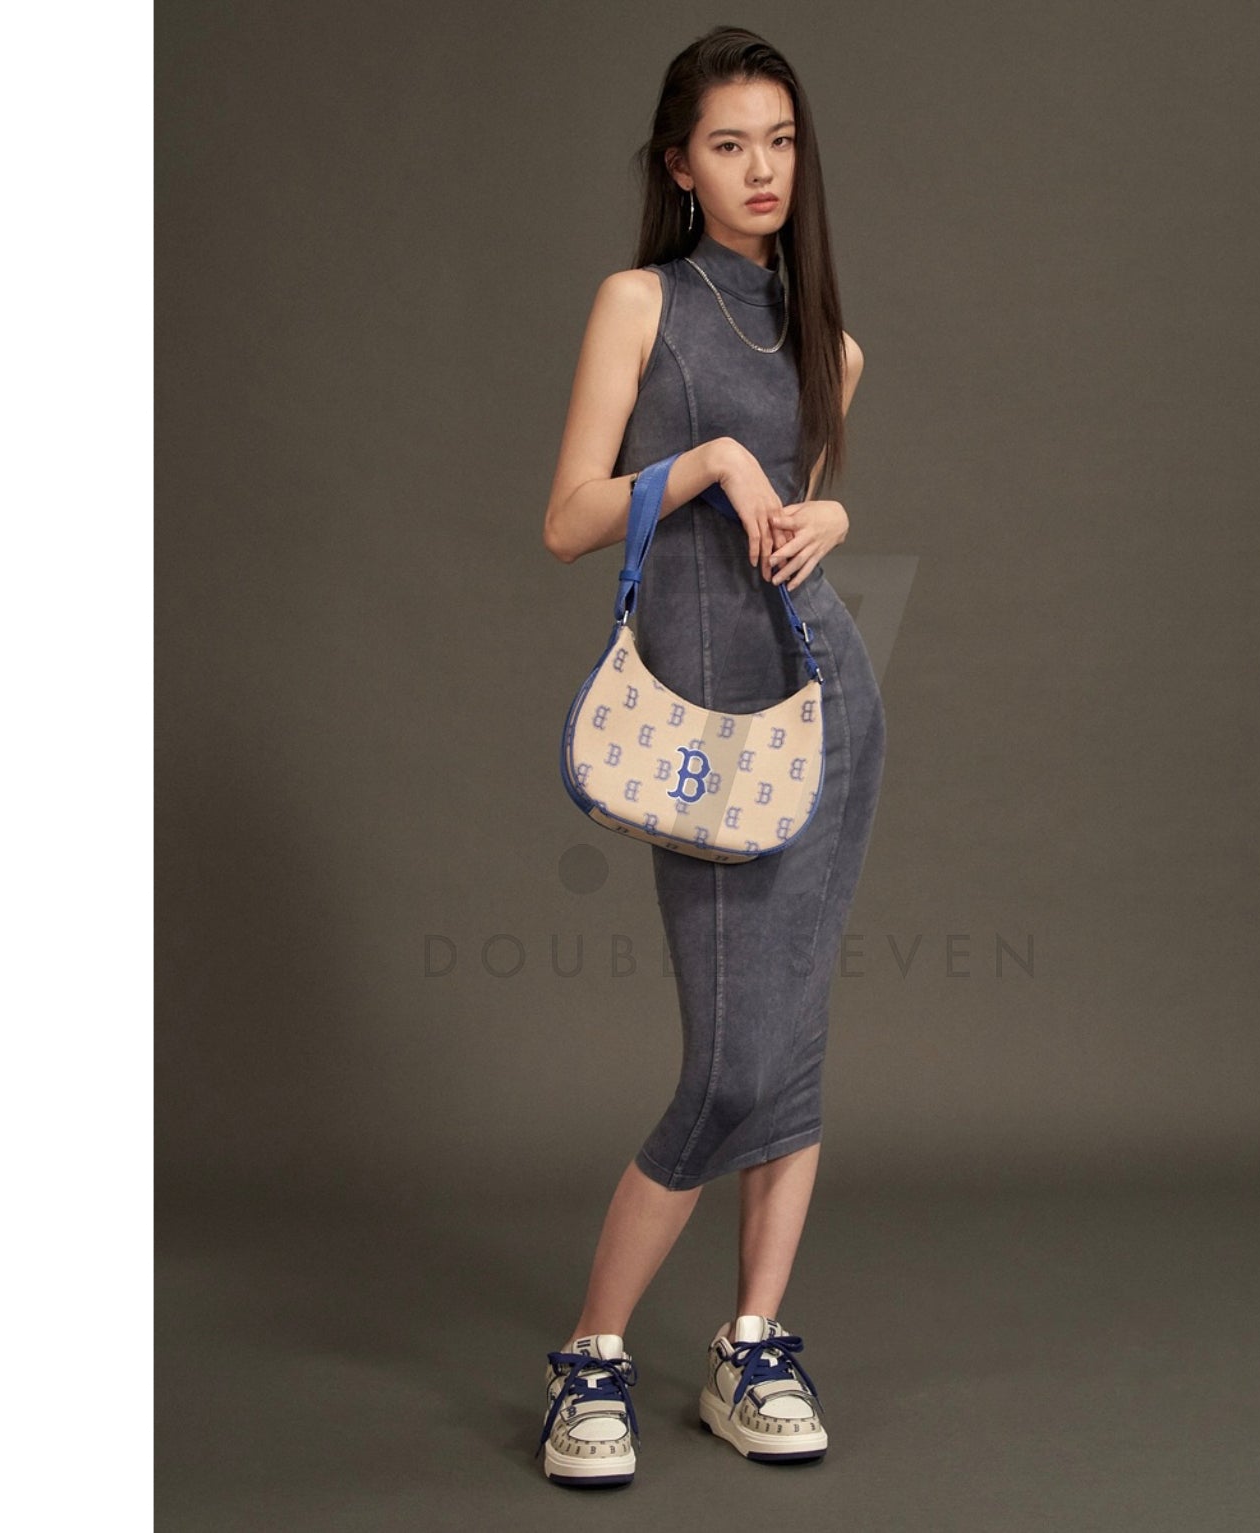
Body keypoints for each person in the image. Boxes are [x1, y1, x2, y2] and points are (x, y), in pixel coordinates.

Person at [537, 25, 887, 1488]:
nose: (761, 169)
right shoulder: (640, 304)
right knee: (730, 1056)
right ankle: (591, 1359)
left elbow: (795, 529)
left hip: (820, 707)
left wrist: (830, 515)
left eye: (781, 142)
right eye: (730, 144)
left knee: (790, 1041)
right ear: (679, 165)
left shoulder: (829, 341)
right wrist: (707, 464)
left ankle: (751, 1344)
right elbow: (568, 517)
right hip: (699, 735)